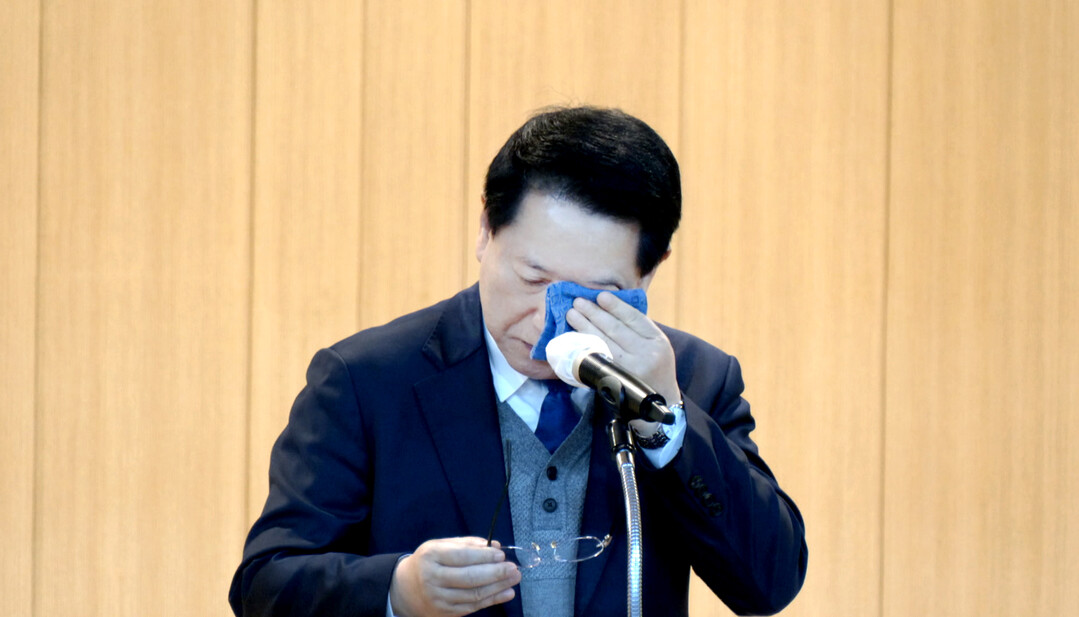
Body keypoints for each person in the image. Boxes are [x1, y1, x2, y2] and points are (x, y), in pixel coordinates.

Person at [229, 106, 807, 617]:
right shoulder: (367, 380)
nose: (545, 323)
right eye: (533, 277)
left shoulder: (694, 378)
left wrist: (666, 422)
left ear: (649, 273)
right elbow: (266, 585)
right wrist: (397, 592)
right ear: (486, 230)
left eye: (590, 295)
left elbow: (769, 584)